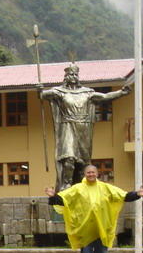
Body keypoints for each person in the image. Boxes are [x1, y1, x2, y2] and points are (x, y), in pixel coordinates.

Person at [45, 164, 143, 253]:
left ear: (97, 174)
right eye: (88, 172)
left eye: (93, 172)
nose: (91, 174)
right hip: (85, 230)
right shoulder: (78, 188)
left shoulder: (105, 188)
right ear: (85, 174)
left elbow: (122, 195)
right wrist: (53, 196)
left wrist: (137, 194)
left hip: (102, 229)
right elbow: (64, 199)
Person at [39, 63, 130, 192]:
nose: (74, 76)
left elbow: (104, 97)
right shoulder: (60, 92)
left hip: (84, 128)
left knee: (83, 161)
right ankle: (66, 184)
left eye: (76, 74)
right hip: (68, 126)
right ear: (65, 77)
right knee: (68, 157)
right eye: (71, 74)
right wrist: (40, 90)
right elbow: (44, 95)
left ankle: (82, 184)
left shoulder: (87, 92)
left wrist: (121, 92)